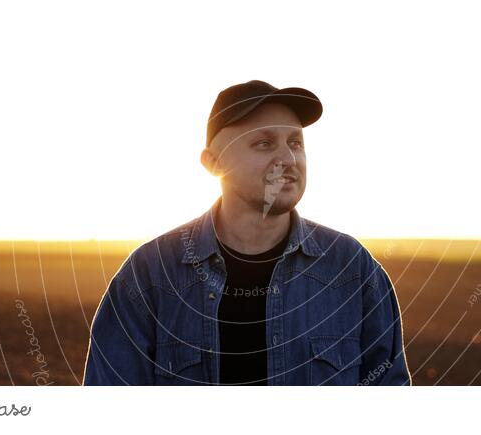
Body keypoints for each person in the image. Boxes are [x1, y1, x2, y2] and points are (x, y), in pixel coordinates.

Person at [82, 80, 411, 385]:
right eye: (264, 143)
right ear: (214, 163)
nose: (287, 158)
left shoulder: (352, 270)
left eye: (295, 142)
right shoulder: (149, 276)